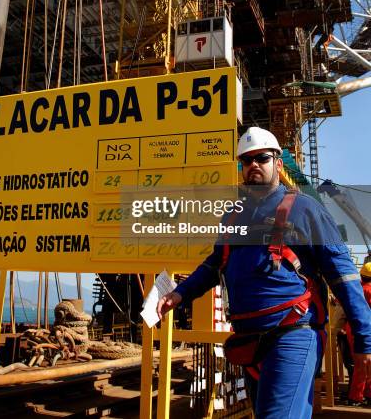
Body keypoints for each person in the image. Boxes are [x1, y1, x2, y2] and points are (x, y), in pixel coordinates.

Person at [156, 127, 371, 418]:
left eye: (262, 158)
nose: (253, 165)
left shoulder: (305, 209)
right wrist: (179, 294)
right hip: (249, 340)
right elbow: (213, 264)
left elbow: (343, 275)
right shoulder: (233, 216)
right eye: (246, 161)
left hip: (293, 334)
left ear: (279, 164)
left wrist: (364, 338)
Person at [346, 261, 371, 406]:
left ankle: (358, 395)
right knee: (365, 365)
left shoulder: (356, 288)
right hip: (366, 328)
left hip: (353, 328)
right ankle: (357, 396)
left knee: (360, 364)